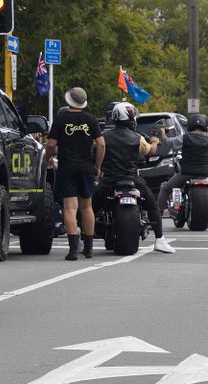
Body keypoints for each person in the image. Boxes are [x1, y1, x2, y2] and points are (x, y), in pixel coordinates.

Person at [97, 102, 175, 254]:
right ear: (131, 119)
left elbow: (94, 148)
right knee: (152, 205)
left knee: (90, 207)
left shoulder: (103, 138)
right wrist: (154, 140)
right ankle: (159, 239)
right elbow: (151, 150)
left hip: (110, 180)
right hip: (132, 179)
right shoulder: (137, 138)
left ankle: (82, 239)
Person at [43, 86, 105, 260]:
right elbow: (101, 144)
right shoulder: (90, 119)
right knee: (87, 207)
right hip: (86, 168)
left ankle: (72, 250)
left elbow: (50, 144)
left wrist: (47, 158)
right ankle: (89, 248)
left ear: (68, 100)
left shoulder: (61, 118)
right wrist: (98, 165)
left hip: (66, 168)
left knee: (70, 208)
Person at [158, 113, 208, 214]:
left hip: (187, 173)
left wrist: (162, 132)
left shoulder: (184, 138)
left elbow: (166, 141)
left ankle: (157, 216)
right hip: (205, 173)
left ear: (190, 126)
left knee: (165, 189)